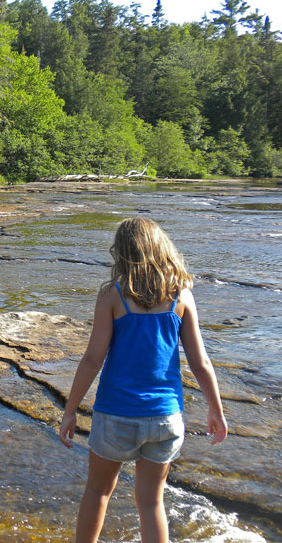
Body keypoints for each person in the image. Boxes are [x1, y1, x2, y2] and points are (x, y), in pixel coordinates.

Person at [58, 217, 228, 543]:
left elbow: (93, 358)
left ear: (122, 253)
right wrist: (216, 410)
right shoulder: (181, 295)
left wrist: (71, 409)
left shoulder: (113, 295)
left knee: (98, 492)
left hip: (116, 415)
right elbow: (201, 361)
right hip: (166, 418)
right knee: (151, 502)